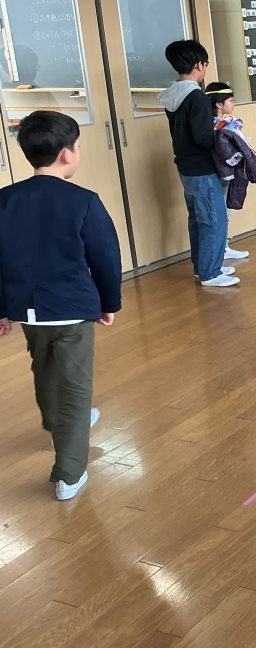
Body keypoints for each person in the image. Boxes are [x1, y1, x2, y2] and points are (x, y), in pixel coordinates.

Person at [0, 111, 122, 500]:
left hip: (28, 311)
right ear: (67, 154)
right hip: (72, 309)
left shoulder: (4, 201)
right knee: (75, 385)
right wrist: (108, 302)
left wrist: (2, 309)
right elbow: (106, 258)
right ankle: (69, 474)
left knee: (45, 367)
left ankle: (56, 424)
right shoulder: (83, 201)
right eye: (79, 146)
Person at [159, 40, 238, 287]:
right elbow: (203, 137)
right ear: (199, 65)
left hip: (186, 167)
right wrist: (224, 134)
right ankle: (210, 273)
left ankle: (202, 266)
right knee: (214, 219)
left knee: (198, 219)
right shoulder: (196, 97)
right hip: (202, 167)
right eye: (205, 63)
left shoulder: (173, 94)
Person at [205, 82, 252, 259]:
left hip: (226, 172)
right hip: (220, 172)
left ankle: (223, 247)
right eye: (231, 100)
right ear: (218, 104)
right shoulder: (217, 125)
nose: (234, 103)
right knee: (221, 211)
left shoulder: (225, 123)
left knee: (225, 208)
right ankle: (220, 250)